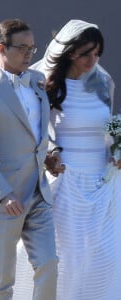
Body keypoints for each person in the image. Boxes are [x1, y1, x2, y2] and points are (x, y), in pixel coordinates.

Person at [28, 19, 121, 299]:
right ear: (70, 52)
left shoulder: (104, 84)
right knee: (68, 257)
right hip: (66, 181)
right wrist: (50, 155)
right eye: (86, 54)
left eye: (97, 54)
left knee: (105, 255)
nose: (93, 60)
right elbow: (37, 132)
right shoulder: (45, 85)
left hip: (104, 183)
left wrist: (116, 150)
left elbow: (108, 129)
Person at [0, 18, 58, 300]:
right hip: (4, 200)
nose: (30, 54)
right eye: (22, 48)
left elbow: (37, 131)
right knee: (3, 281)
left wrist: (50, 156)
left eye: (32, 48)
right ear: (1, 48)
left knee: (49, 265)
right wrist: (2, 193)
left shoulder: (38, 81)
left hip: (39, 192)